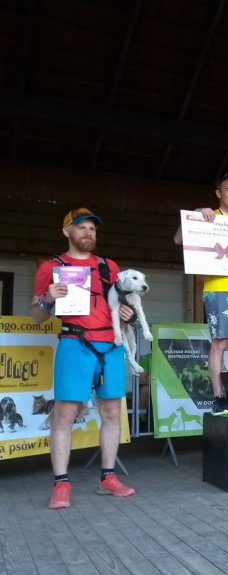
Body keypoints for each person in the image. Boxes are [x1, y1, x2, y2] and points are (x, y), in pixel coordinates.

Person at [31, 208, 136, 509]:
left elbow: (121, 307)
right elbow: (36, 316)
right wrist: (47, 298)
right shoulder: (51, 266)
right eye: (81, 227)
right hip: (74, 343)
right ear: (67, 232)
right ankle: (61, 484)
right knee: (64, 414)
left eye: (92, 228)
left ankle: (108, 477)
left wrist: (126, 316)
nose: (88, 233)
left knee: (113, 413)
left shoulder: (109, 267)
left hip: (111, 346)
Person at [174, 173, 228, 416]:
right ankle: (219, 397)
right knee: (220, 343)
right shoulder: (207, 216)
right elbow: (179, 239)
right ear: (218, 194)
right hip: (218, 290)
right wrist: (196, 215)